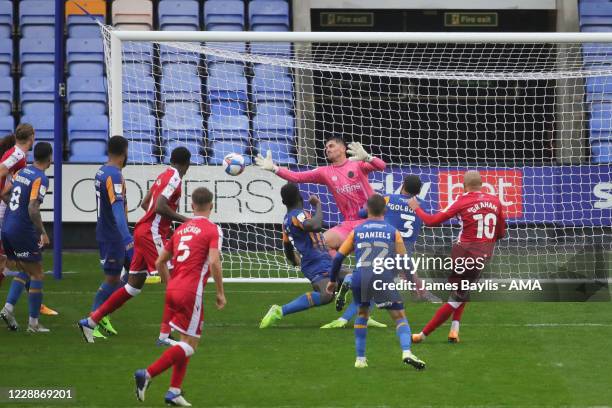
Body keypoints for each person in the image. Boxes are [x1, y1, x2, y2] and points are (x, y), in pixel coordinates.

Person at [78, 147, 191, 344]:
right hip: (150, 233)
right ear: (187, 164)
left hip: (143, 231)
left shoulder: (164, 174)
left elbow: (146, 203)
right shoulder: (175, 179)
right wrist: (184, 220)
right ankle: (164, 336)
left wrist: (163, 226)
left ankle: (91, 321)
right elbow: (159, 206)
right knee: (174, 281)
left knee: (133, 286)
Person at [134, 187, 226, 407]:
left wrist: (171, 284)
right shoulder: (213, 230)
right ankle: (146, 373)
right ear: (211, 207)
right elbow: (214, 262)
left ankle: (174, 391)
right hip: (191, 292)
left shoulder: (182, 229)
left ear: (192, 206)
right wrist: (221, 293)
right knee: (190, 345)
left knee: (185, 339)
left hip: (174, 289)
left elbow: (159, 262)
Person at [321, 175, 441, 328]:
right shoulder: (421, 205)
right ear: (418, 191)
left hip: (383, 245)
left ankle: (350, 288)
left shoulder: (388, 199)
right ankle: (346, 316)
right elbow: (428, 220)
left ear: (402, 185)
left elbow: (362, 214)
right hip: (403, 251)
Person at [258, 183, 384, 328]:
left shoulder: (286, 221)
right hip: (316, 261)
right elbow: (315, 226)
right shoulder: (300, 215)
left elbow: (287, 246)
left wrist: (294, 260)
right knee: (326, 295)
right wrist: (318, 205)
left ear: (283, 202)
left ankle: (363, 315)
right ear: (300, 197)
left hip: (322, 259)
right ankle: (279, 311)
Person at [326, 194, 426, 369]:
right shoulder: (393, 232)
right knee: (400, 317)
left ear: (367, 211)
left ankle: (360, 359)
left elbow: (337, 258)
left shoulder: (356, 231)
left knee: (362, 315)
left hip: (360, 278)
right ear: (385, 211)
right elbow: (405, 261)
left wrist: (333, 281)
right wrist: (412, 284)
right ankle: (406, 352)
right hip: (383, 278)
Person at [408, 170, 506, 343]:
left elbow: (432, 222)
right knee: (461, 291)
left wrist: (417, 209)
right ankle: (454, 330)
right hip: (483, 256)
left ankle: (422, 335)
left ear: (463, 186)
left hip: (464, 254)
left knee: (456, 297)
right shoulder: (496, 201)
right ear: (482, 185)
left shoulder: (461, 201)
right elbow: (501, 233)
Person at [255, 137, 386, 251]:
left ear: (342, 148)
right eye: (326, 147)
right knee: (321, 244)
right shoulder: (324, 172)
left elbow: (381, 166)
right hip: (348, 224)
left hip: (370, 221)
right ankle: (343, 276)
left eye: (331, 146)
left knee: (377, 264)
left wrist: (368, 158)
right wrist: (274, 168)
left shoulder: (358, 164)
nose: (327, 149)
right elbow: (297, 177)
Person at [0, 142, 53, 332]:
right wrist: (42, 233)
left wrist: (15, 211)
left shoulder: (21, 172)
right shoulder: (41, 178)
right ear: (49, 158)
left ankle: (8, 309)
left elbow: (4, 193)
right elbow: (33, 207)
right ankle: (33, 323)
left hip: (7, 227)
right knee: (37, 273)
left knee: (25, 268)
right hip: (22, 230)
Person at [89, 135, 133, 339]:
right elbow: (116, 210)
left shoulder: (102, 171)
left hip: (108, 233)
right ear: (124, 152)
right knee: (114, 278)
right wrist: (126, 238)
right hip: (113, 236)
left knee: (134, 274)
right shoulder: (114, 175)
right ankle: (94, 319)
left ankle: (103, 313)